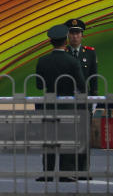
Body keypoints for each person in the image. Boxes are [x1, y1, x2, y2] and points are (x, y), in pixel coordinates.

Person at [35, 24, 86, 182]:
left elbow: (38, 85)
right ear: (65, 41)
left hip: (49, 103)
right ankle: (66, 172)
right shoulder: (72, 61)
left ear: (51, 42)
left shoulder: (42, 61)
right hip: (68, 104)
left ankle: (48, 172)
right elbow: (82, 85)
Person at [65, 18, 97, 176]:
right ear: (68, 35)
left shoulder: (89, 53)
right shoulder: (63, 53)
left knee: (84, 135)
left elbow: (94, 77)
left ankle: (83, 169)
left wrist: (94, 99)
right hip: (68, 100)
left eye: (77, 33)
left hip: (84, 99)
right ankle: (70, 169)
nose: (75, 36)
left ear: (82, 35)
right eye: (72, 33)